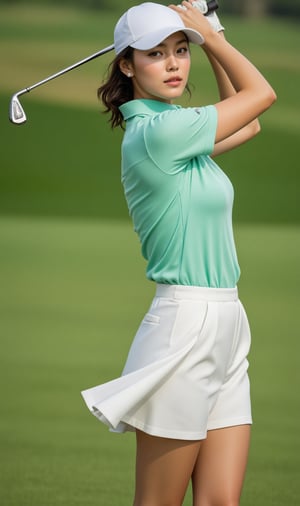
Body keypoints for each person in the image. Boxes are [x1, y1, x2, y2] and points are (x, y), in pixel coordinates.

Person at [81, 2, 276, 505]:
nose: (173, 64)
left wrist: (209, 35)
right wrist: (211, 36)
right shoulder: (159, 134)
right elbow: (263, 96)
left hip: (229, 320)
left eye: (181, 50)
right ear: (127, 64)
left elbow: (248, 124)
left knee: (220, 501)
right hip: (184, 324)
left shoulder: (178, 127)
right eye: (155, 53)